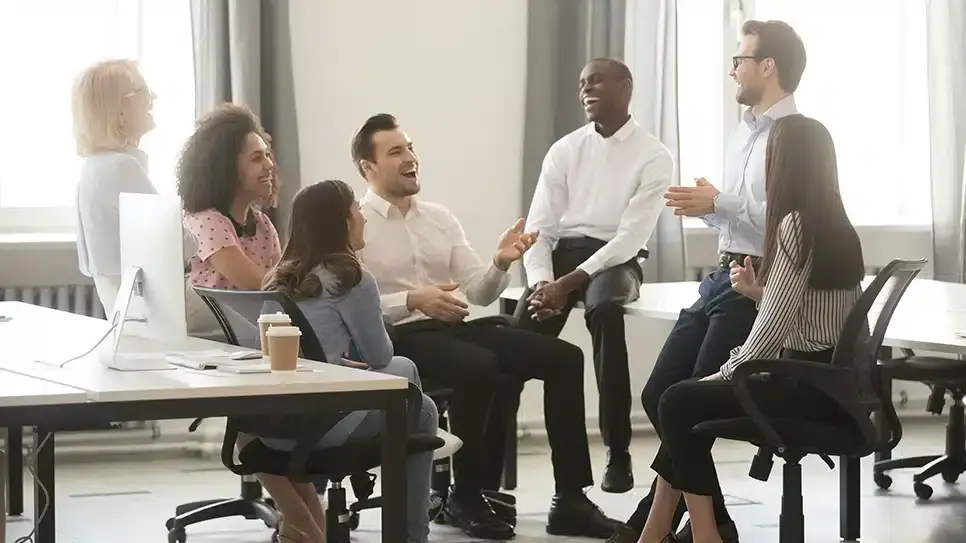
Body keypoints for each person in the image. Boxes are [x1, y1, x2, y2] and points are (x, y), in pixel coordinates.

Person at [352, 113, 622, 540]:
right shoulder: (356, 224)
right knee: (478, 366)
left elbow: (479, 292)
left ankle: (571, 500)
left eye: (411, 148)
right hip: (399, 339)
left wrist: (500, 261)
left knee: (564, 358)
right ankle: (466, 494)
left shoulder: (439, 218)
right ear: (368, 168)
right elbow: (355, 306)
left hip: (451, 330)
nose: (410, 158)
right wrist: (413, 300)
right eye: (396, 151)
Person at [609, 20, 808, 543]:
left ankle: (659, 523)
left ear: (768, 66)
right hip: (724, 274)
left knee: (688, 402)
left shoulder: (796, 136)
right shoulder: (743, 133)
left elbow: (786, 217)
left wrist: (721, 201)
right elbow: (743, 216)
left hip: (759, 282)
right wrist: (712, 208)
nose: (733, 70)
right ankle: (714, 521)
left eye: (741, 59)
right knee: (660, 393)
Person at [637, 113, 864, 543]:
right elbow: (814, 314)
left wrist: (718, 375)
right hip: (830, 386)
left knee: (677, 401)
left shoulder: (795, 225)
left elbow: (765, 341)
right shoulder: (837, 225)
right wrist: (761, 293)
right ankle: (662, 529)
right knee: (681, 402)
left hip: (804, 389)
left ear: (784, 164)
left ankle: (703, 535)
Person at [262, 179, 460, 543]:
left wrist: (341, 363)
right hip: (322, 425)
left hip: (273, 429)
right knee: (408, 380)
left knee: (421, 406)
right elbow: (380, 355)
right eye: (356, 210)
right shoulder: (349, 276)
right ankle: (411, 535)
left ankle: (411, 530)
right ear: (340, 221)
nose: (363, 218)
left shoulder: (278, 278)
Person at [518, 58, 673, 493]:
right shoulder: (565, 150)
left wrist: (568, 284)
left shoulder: (654, 155)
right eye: (583, 82)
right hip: (560, 258)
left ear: (626, 87)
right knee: (516, 339)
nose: (586, 89)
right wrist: (541, 284)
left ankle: (618, 453)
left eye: (597, 81)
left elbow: (629, 239)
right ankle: (485, 471)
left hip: (616, 260)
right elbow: (539, 230)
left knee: (604, 311)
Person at [72, 59, 217, 334]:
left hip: (132, 315)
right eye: (144, 90)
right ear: (120, 112)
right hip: (158, 311)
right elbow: (186, 245)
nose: (153, 97)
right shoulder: (121, 168)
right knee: (254, 311)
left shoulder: (93, 168)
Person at [178, 103, 282, 291]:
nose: (270, 165)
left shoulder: (264, 225)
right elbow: (257, 283)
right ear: (226, 167)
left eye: (267, 155)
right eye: (257, 158)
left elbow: (281, 286)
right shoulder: (206, 222)